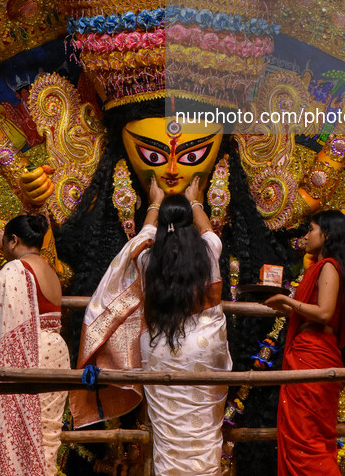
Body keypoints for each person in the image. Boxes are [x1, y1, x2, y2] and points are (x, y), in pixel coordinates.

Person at [69, 176, 232, 476]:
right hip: (205, 350)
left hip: (162, 350)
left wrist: (154, 202)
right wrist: (195, 199)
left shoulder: (147, 257)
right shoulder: (209, 248)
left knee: (168, 431)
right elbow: (208, 229)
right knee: (205, 427)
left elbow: (143, 234)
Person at [0, 213, 70, 476]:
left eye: (3, 242)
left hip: (32, 350)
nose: (2, 249)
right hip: (57, 352)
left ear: (13, 240)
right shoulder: (49, 270)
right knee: (46, 437)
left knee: (21, 435)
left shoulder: (16, 269)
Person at [265, 210, 345, 476]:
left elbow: (324, 312)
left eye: (311, 229)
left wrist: (288, 302)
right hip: (311, 350)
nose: (306, 235)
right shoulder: (323, 267)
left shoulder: (329, 266)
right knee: (302, 434)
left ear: (327, 235)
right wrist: (289, 307)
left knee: (307, 438)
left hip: (314, 352)